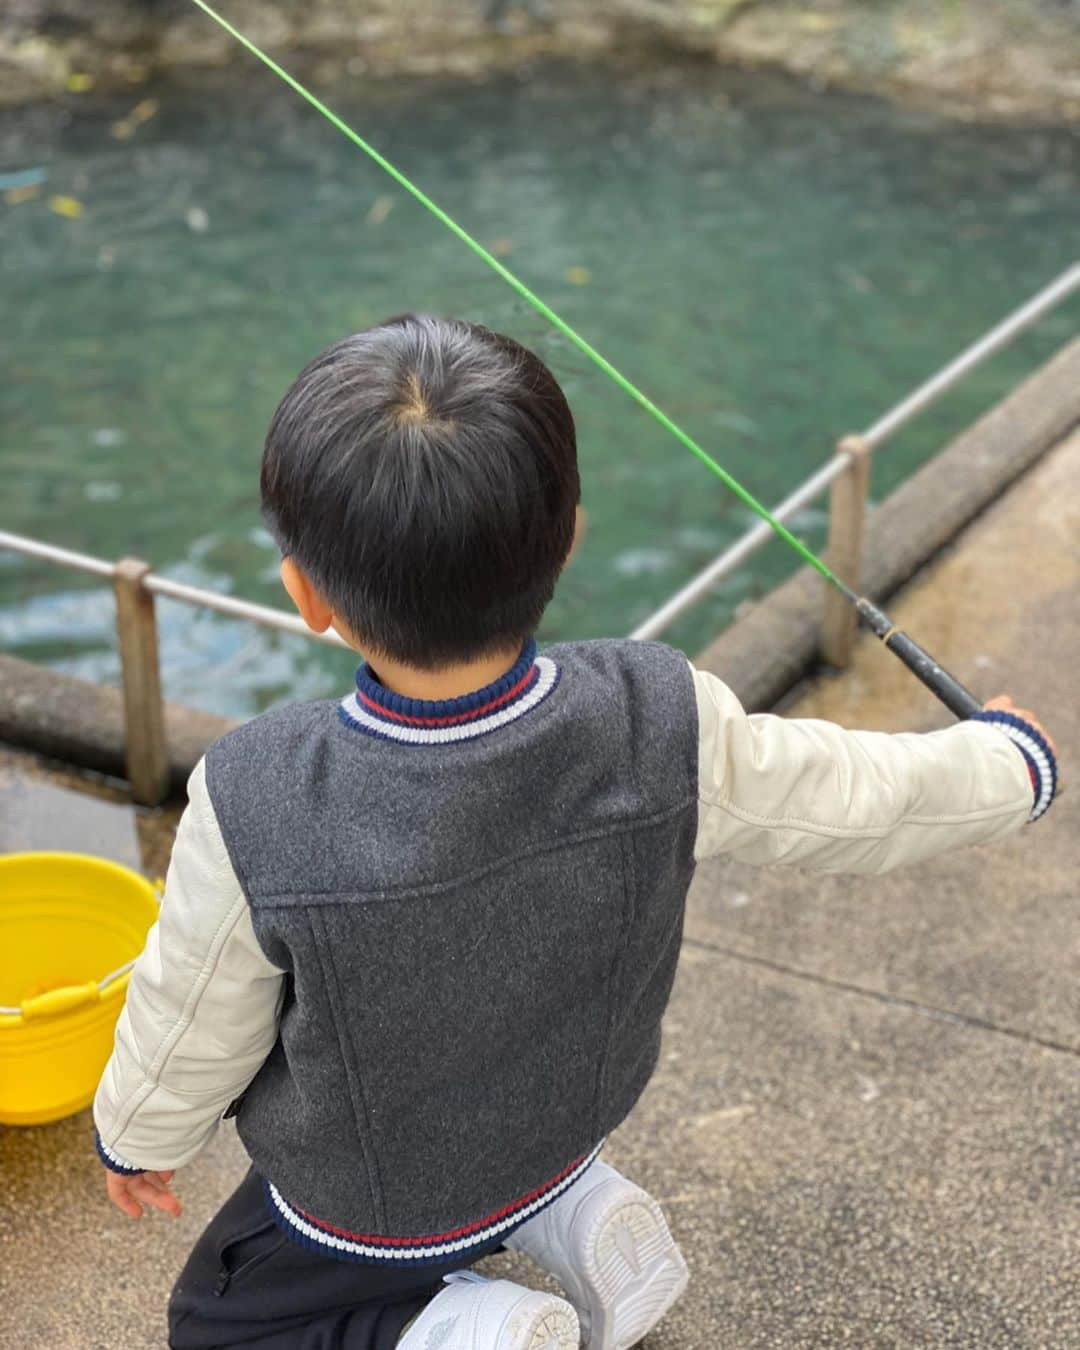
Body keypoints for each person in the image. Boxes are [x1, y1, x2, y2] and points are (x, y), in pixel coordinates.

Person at [94, 315, 1057, 1350]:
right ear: (571, 535)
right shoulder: (661, 717)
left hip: (373, 1192)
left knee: (214, 1323)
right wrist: (1008, 764)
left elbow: (192, 1008)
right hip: (569, 1113)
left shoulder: (257, 796)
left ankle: (454, 1331)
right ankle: (570, 1209)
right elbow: (859, 794)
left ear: (308, 596)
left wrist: (137, 1134)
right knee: (500, 1143)